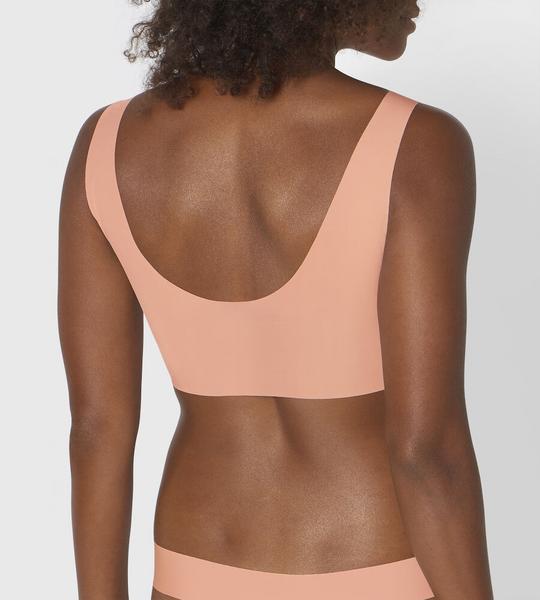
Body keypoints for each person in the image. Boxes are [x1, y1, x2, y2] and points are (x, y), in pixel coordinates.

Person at [58, 1, 494, 598]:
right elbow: (426, 450)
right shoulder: (418, 142)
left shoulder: (107, 143)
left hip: (194, 567)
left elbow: (97, 429)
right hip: (372, 566)